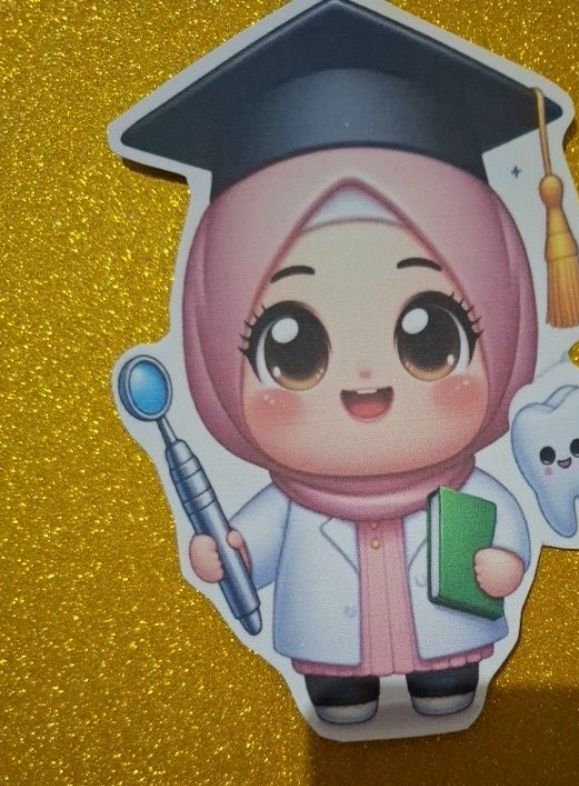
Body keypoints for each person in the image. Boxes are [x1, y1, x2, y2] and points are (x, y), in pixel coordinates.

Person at [182, 147, 537, 723]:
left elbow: (505, 524)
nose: (364, 381)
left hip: (449, 633)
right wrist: (228, 553)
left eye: (431, 340)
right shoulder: (289, 503)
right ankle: (342, 691)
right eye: (293, 351)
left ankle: (443, 678)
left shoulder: (465, 490)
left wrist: (506, 562)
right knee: (338, 689)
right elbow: (253, 546)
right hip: (329, 644)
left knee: (447, 679)